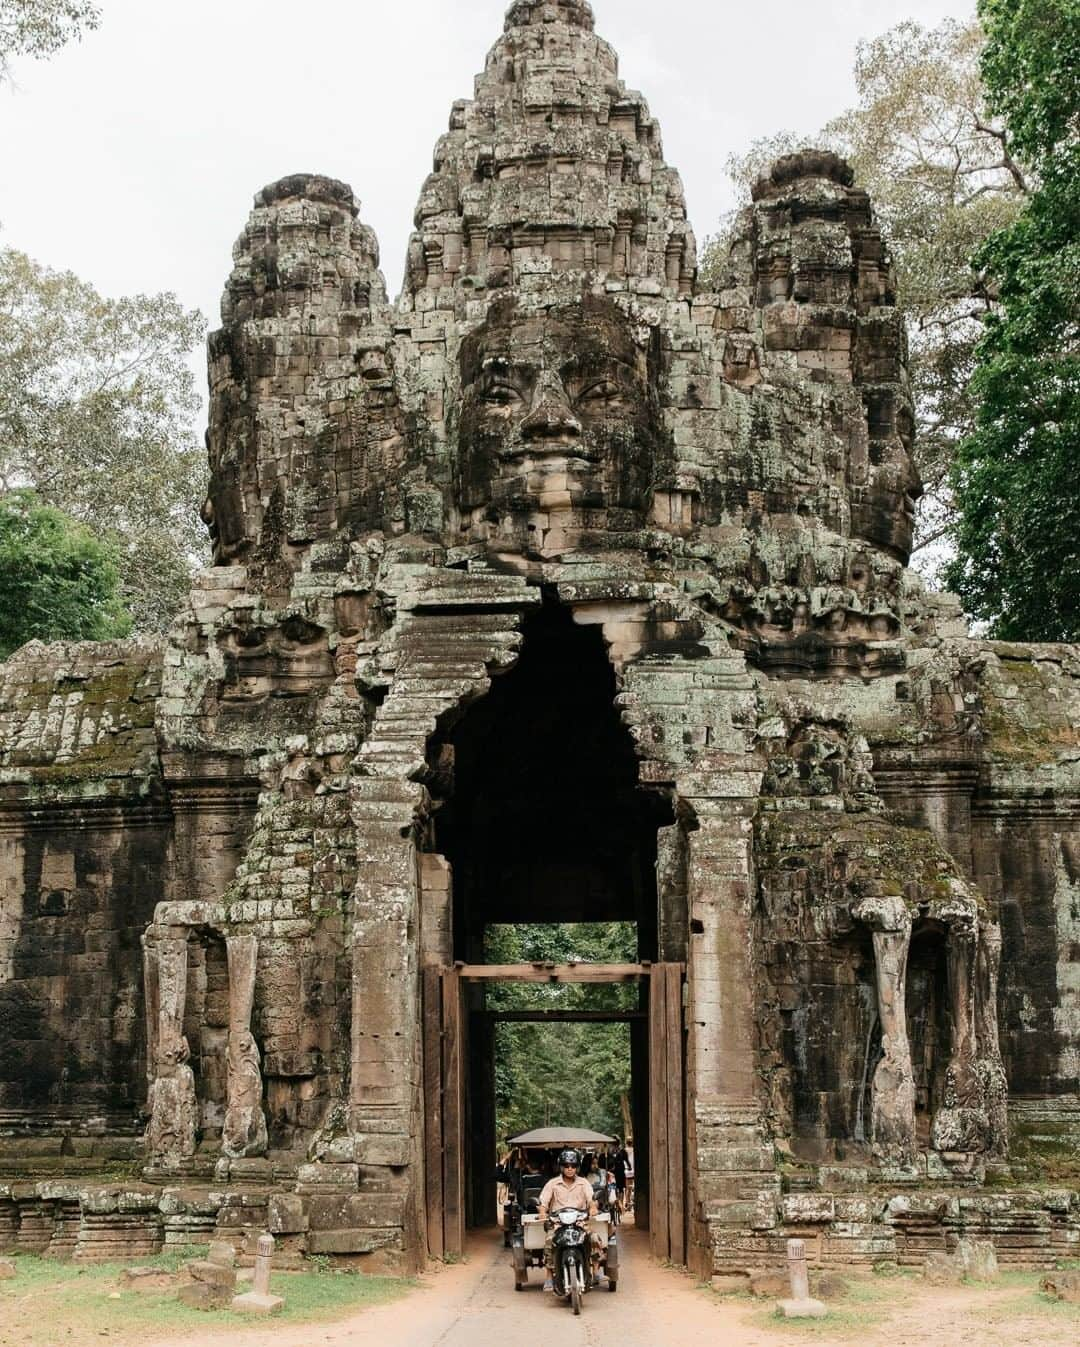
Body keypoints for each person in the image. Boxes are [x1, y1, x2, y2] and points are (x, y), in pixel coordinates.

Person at [537, 1149, 598, 1291]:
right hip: (558, 1224)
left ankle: (596, 1270)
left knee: (594, 1237)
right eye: (566, 1166)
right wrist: (542, 1212)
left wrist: (593, 1208)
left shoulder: (584, 1183)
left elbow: (592, 1199)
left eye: (573, 1166)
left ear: (577, 1167)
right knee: (549, 1241)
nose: (570, 1169)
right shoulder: (552, 1184)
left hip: (580, 1223)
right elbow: (543, 1202)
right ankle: (549, 1276)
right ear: (561, 1167)